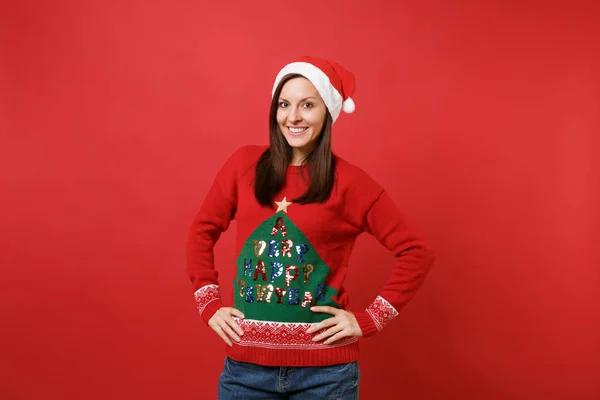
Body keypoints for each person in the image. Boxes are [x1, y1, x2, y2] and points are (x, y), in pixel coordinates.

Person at [186, 56, 435, 399]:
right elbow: (202, 230)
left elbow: (417, 251)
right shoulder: (242, 165)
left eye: (307, 105)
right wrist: (208, 303)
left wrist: (368, 320)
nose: (293, 117)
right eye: (284, 104)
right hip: (245, 372)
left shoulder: (350, 183)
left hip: (326, 377)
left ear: (328, 114)